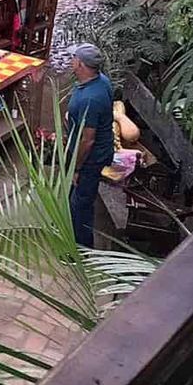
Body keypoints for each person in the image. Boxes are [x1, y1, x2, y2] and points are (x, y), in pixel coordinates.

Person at [66, 42, 115, 248]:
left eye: (73, 58)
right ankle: (67, 223)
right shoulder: (100, 81)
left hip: (90, 157)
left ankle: (81, 249)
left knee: (81, 204)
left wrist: (77, 168)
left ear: (81, 64)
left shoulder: (91, 99)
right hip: (89, 151)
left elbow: (88, 140)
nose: (71, 61)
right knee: (74, 196)